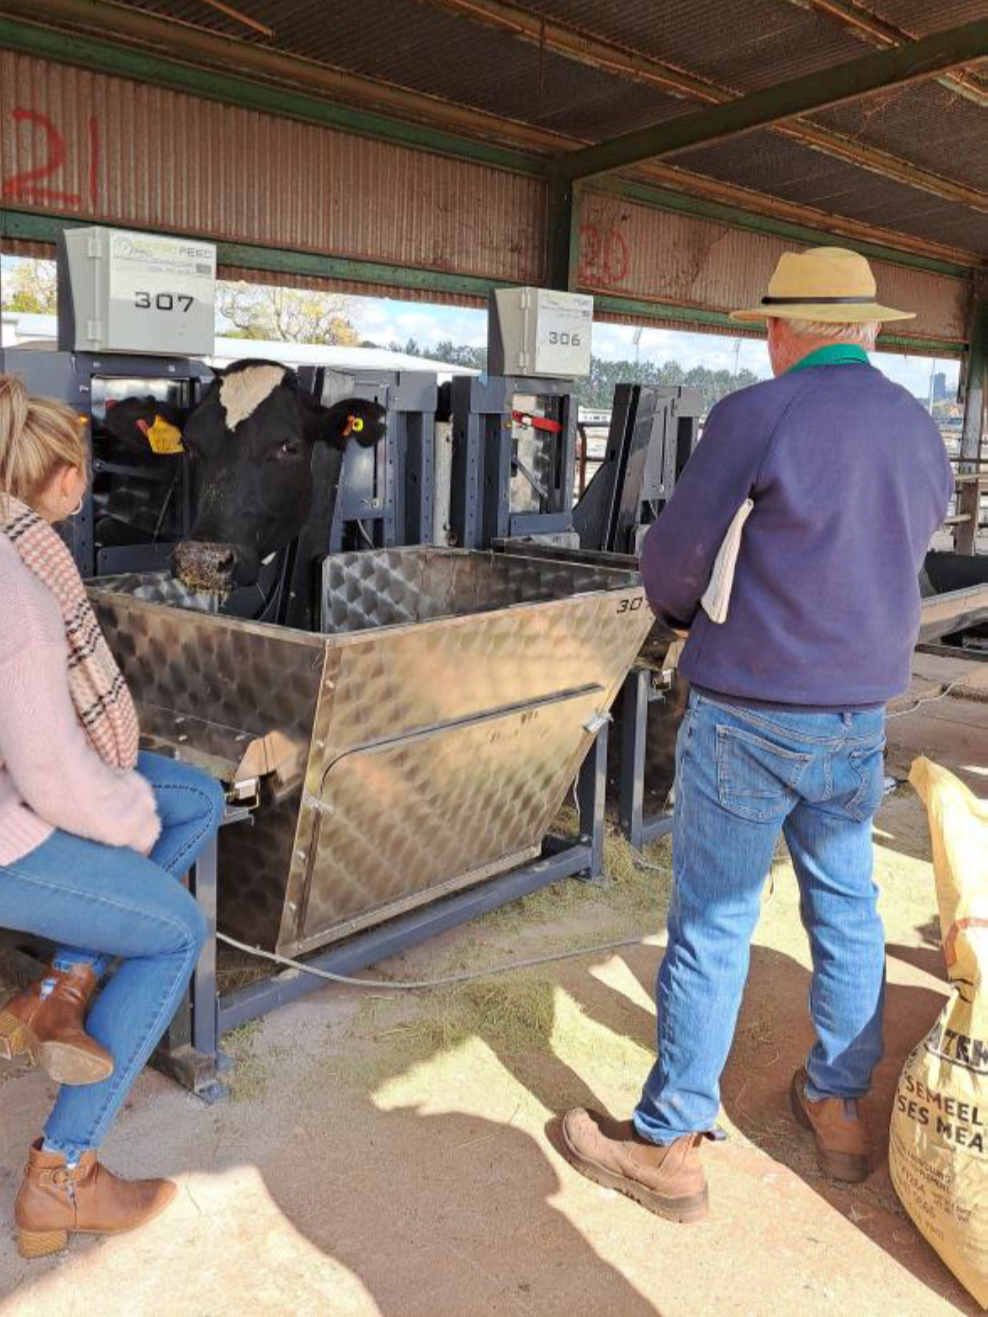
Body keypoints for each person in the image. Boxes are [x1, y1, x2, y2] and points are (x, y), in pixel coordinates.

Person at [561, 247, 954, 1222]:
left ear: (782, 330)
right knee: (846, 908)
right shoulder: (915, 426)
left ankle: (671, 1143)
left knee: (713, 922)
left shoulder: (755, 414)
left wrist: (693, 603)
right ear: (865, 330)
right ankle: (838, 1103)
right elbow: (919, 535)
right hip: (858, 718)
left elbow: (672, 568)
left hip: (747, 714)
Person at [0, 375, 225, 1258]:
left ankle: (68, 985)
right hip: (14, 821)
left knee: (197, 797)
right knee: (173, 929)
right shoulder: (17, 582)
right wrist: (125, 815)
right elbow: (57, 774)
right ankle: (63, 1171)